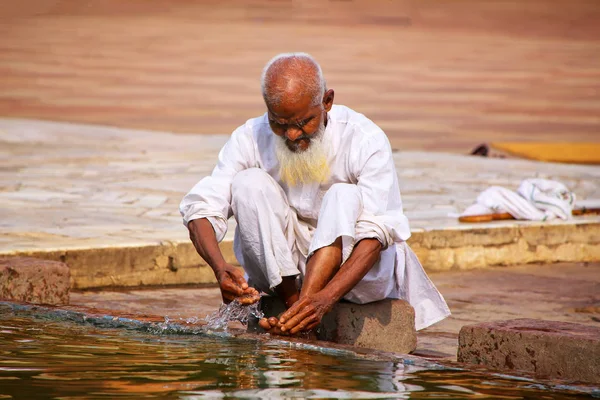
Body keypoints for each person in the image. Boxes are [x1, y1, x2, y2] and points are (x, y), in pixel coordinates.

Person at [180, 52, 450, 335]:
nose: (292, 136)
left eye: (302, 123)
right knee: (247, 183)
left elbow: (376, 234)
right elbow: (202, 207)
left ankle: (302, 311)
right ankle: (295, 308)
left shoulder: (364, 138)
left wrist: (325, 299)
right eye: (280, 124)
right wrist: (220, 267)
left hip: (355, 275)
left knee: (342, 195)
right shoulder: (249, 136)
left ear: (327, 102)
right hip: (279, 272)